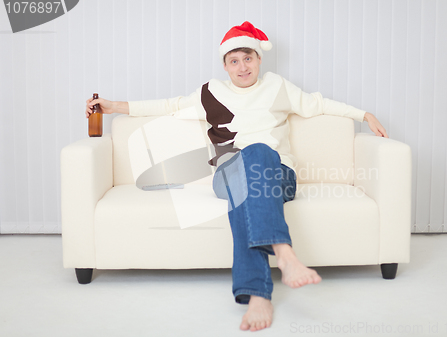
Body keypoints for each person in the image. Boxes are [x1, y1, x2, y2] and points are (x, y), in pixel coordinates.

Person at [85, 21, 388, 332]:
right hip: (229, 173)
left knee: (256, 157)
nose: (242, 67)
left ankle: (257, 293)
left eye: (248, 58)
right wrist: (113, 107)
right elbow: (168, 105)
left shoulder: (277, 86)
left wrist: (364, 115)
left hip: (277, 173)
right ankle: (283, 252)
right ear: (225, 66)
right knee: (243, 164)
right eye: (234, 61)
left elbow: (319, 104)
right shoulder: (211, 92)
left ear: (258, 59)